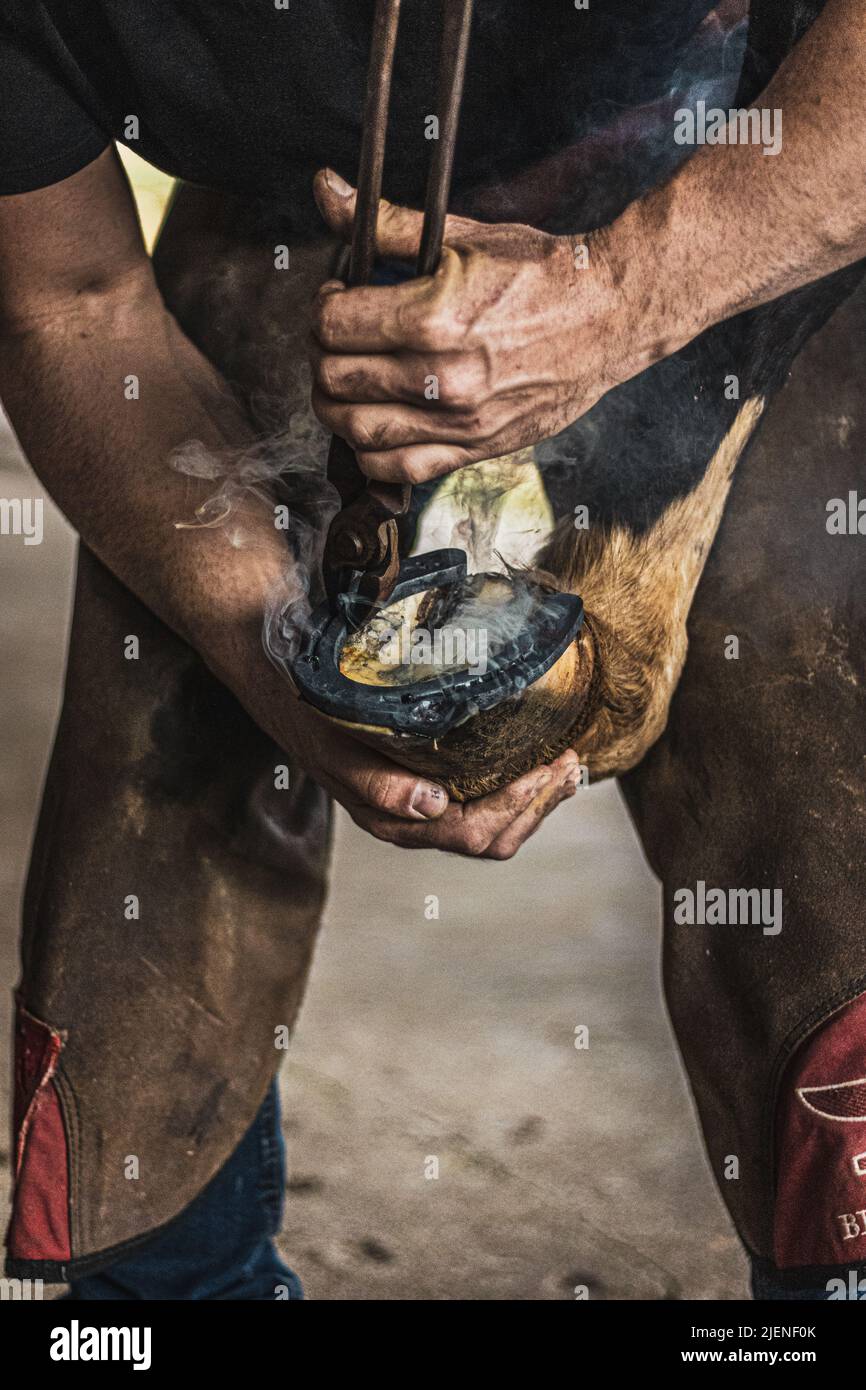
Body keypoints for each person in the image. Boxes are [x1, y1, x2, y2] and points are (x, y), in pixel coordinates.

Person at [2, 0, 864, 1300]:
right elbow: (71, 305)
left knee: (808, 752)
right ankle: (161, 1287)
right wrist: (268, 650)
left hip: (770, 188)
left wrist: (618, 299)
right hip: (311, 213)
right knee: (165, 761)